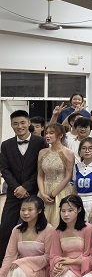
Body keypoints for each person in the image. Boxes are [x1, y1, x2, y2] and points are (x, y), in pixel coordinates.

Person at [0, 110, 48, 263]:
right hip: (13, 193)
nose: (19, 126)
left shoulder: (40, 142)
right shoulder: (6, 145)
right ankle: (4, 263)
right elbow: (4, 169)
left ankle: (30, 260)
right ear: (11, 125)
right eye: (15, 124)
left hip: (34, 192)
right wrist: (17, 187)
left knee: (34, 227)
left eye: (22, 123)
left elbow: (41, 169)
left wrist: (26, 187)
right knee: (5, 228)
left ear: (28, 123)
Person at [0, 196, 54, 277]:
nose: (25, 213)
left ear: (39, 211)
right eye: (23, 209)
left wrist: (23, 261)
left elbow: (48, 257)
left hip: (39, 269)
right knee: (15, 272)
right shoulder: (17, 230)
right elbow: (9, 257)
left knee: (18, 272)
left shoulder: (48, 229)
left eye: (30, 210)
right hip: (18, 267)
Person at [42, 195, 92, 277]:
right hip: (64, 267)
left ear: (79, 210)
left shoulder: (87, 228)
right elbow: (54, 255)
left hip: (81, 268)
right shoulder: (57, 231)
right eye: (63, 211)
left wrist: (70, 264)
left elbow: (90, 256)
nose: (66, 214)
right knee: (61, 276)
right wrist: (58, 265)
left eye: (70, 210)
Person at [37, 123, 75, 227]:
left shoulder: (68, 153)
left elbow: (68, 176)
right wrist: (42, 193)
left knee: (58, 222)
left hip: (61, 190)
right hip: (43, 190)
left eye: (51, 133)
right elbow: (40, 175)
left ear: (60, 135)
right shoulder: (42, 152)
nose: (47, 136)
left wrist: (53, 194)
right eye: (46, 133)